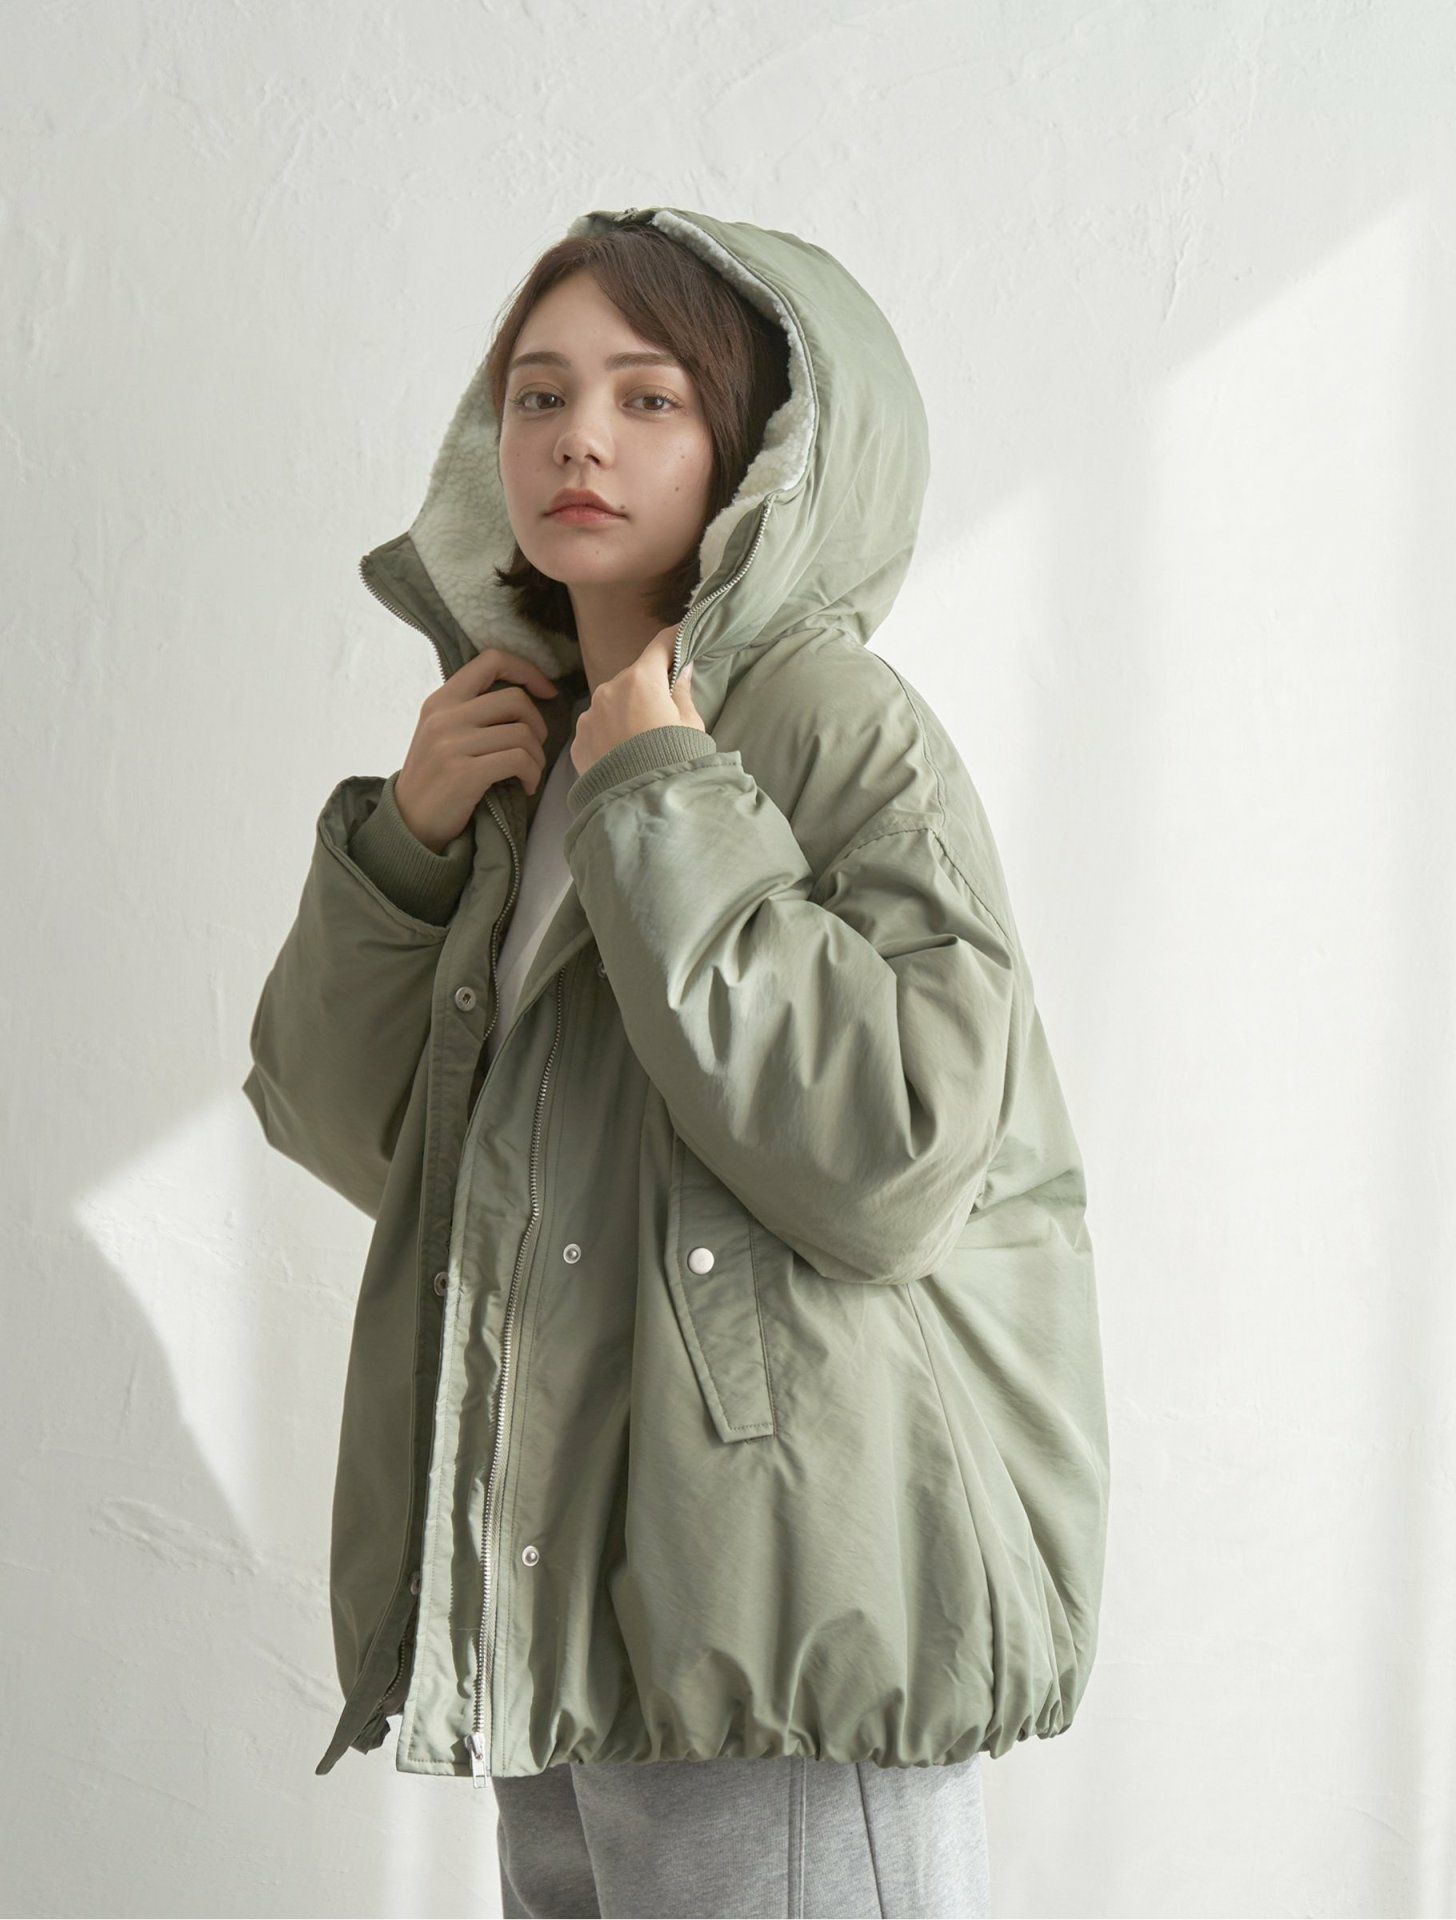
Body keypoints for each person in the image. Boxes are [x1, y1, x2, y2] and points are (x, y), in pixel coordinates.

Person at [242, 204, 1110, 1919]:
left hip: (778, 1606)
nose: (579, 436)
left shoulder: (828, 723)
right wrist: (407, 850)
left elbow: (897, 1154)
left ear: (759, 450)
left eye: (649, 397)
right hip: (566, 1602)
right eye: (540, 393)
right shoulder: (519, 750)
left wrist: (667, 795)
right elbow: (368, 1143)